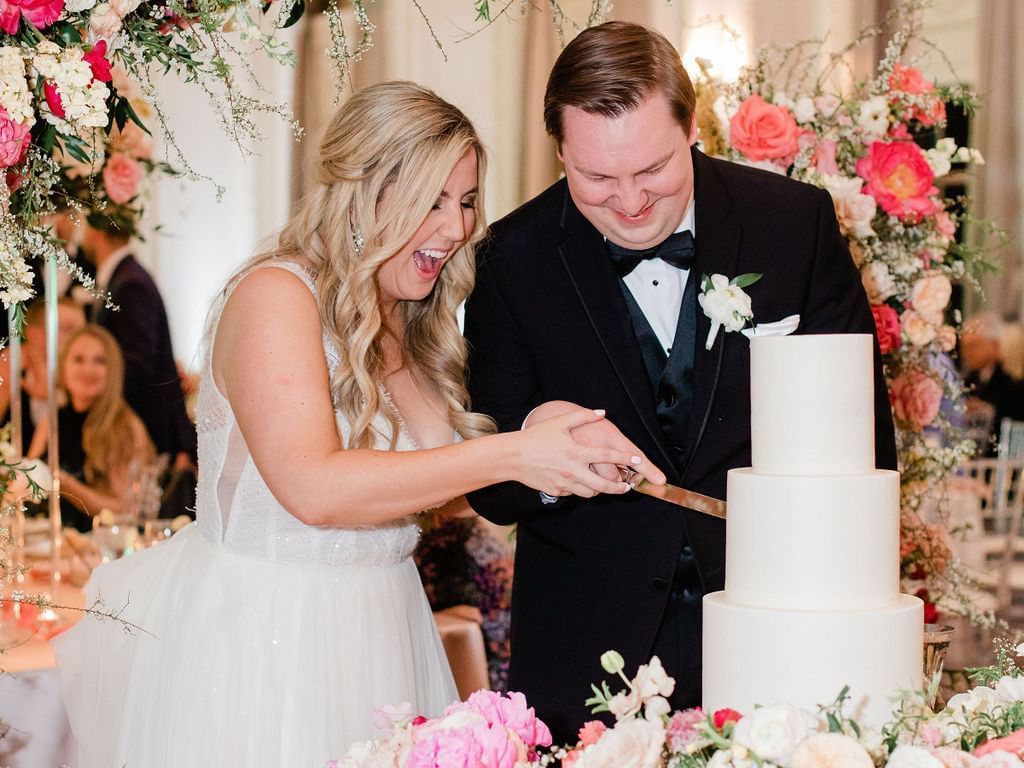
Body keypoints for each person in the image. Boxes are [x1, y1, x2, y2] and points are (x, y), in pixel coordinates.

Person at [55, 81, 661, 768]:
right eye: (430, 201)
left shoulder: (407, 317)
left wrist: (548, 433)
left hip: (386, 622)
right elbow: (313, 488)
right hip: (273, 636)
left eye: (464, 202)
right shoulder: (277, 295)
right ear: (361, 193)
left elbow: (435, 478)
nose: (456, 228)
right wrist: (511, 455)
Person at [463, 21, 898, 739]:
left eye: (653, 169)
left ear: (692, 127)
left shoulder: (794, 225)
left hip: (779, 629)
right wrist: (549, 463)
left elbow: (866, 446)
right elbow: (494, 488)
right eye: (596, 178)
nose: (630, 202)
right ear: (560, 151)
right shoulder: (511, 259)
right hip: (589, 659)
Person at [78, 213, 196, 468]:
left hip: (147, 424)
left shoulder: (131, 284)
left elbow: (139, 363)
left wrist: (103, 403)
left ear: (96, 233)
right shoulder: (123, 277)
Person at [27, 324, 155, 531]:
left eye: (100, 361)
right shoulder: (52, 420)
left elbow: (125, 509)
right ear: (63, 366)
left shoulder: (122, 425)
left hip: (100, 545)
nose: (88, 369)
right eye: (78, 360)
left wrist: (66, 484)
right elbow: (28, 479)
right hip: (51, 539)